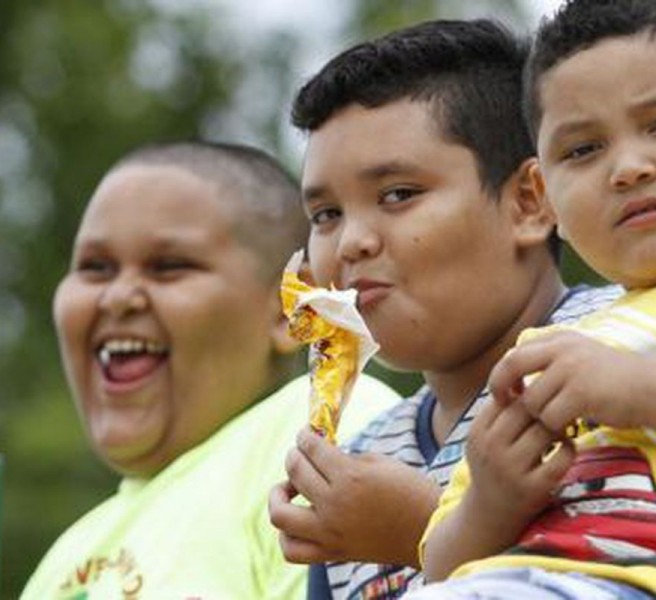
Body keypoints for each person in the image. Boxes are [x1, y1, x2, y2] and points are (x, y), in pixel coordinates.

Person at [0, 141, 400, 599]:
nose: (118, 296)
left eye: (169, 267)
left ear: (291, 307)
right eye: (95, 268)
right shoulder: (71, 549)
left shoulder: (327, 439)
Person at [266, 18, 623, 599]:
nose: (351, 241)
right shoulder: (357, 465)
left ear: (530, 202)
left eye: (398, 195)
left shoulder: (621, 350)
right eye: (326, 215)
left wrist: (419, 529)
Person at [413, 1, 656, 597]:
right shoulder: (550, 353)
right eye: (582, 150)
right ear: (547, 201)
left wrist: (637, 388)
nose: (627, 168)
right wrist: (490, 503)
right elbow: (437, 565)